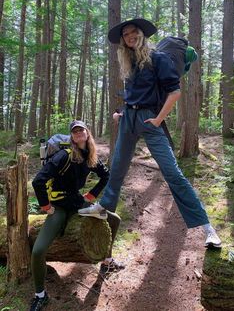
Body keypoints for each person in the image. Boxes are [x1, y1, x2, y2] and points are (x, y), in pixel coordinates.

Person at [78, 18, 222, 250]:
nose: (130, 36)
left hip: (149, 121)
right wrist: (120, 113)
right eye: (126, 35)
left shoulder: (159, 58)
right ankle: (104, 208)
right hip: (129, 119)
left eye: (134, 32)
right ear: (123, 41)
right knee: (117, 167)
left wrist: (158, 119)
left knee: (172, 173)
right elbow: (133, 95)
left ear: (142, 34)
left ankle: (207, 228)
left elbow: (174, 92)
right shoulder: (131, 63)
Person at [29, 120, 124, 311]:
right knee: (38, 251)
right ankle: (40, 294)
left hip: (78, 202)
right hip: (60, 206)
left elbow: (105, 175)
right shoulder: (64, 156)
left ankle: (106, 259)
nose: (79, 133)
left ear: (87, 134)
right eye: (75, 131)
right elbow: (38, 181)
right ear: (72, 136)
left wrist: (92, 195)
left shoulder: (90, 155)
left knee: (114, 219)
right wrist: (46, 206)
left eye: (82, 130)